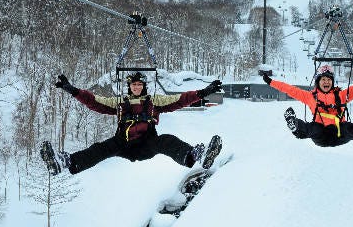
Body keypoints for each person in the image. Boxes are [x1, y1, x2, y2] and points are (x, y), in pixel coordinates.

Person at [40, 71, 223, 175]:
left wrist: (202, 93)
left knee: (167, 140)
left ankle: (198, 154)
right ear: (130, 87)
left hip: (147, 143)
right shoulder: (120, 103)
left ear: (144, 86)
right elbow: (95, 101)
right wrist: (73, 90)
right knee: (100, 149)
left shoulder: (154, 101)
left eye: (140, 85)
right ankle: (64, 162)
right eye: (134, 85)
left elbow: (180, 99)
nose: (137, 87)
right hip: (123, 143)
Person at [262, 63, 353, 147]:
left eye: (329, 80)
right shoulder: (310, 96)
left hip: (339, 133)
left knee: (349, 128)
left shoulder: (341, 95)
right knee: (312, 128)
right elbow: (290, 89)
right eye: (323, 79)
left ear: (332, 82)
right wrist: (271, 82)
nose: (326, 82)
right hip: (320, 135)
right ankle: (295, 125)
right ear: (318, 81)